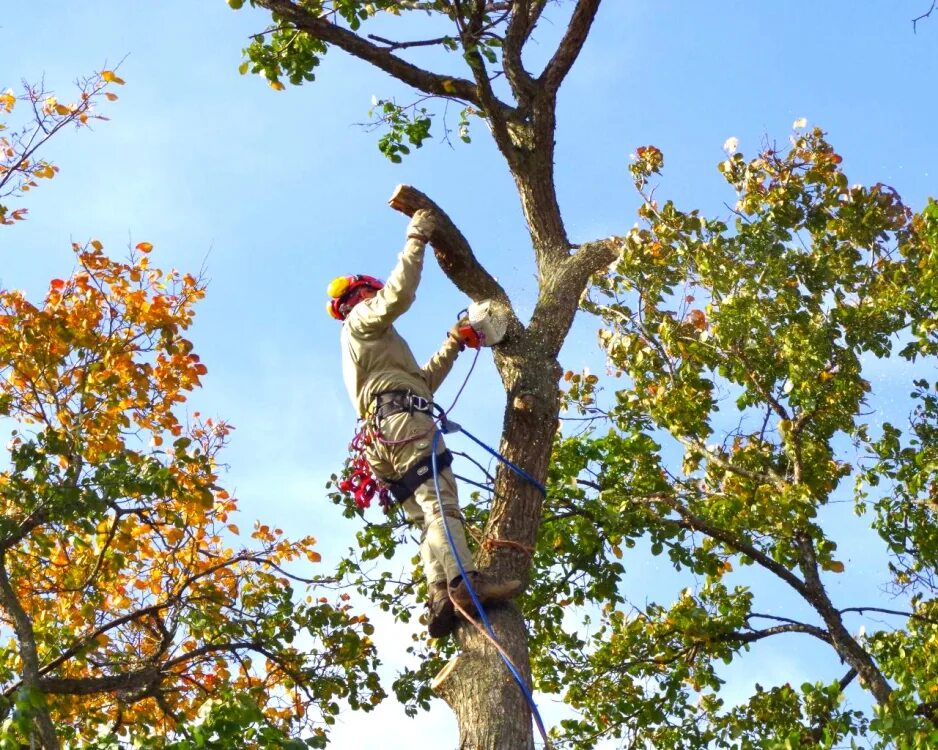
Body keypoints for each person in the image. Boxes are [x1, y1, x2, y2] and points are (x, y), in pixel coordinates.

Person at [327, 209, 519, 638]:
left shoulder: (374, 352)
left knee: (426, 518)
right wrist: (415, 239)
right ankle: (465, 584)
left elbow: (422, 383)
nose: (376, 303)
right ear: (359, 297)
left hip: (384, 433)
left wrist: (454, 343)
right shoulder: (361, 323)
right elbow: (400, 294)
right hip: (400, 423)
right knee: (441, 503)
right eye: (370, 296)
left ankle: (440, 594)